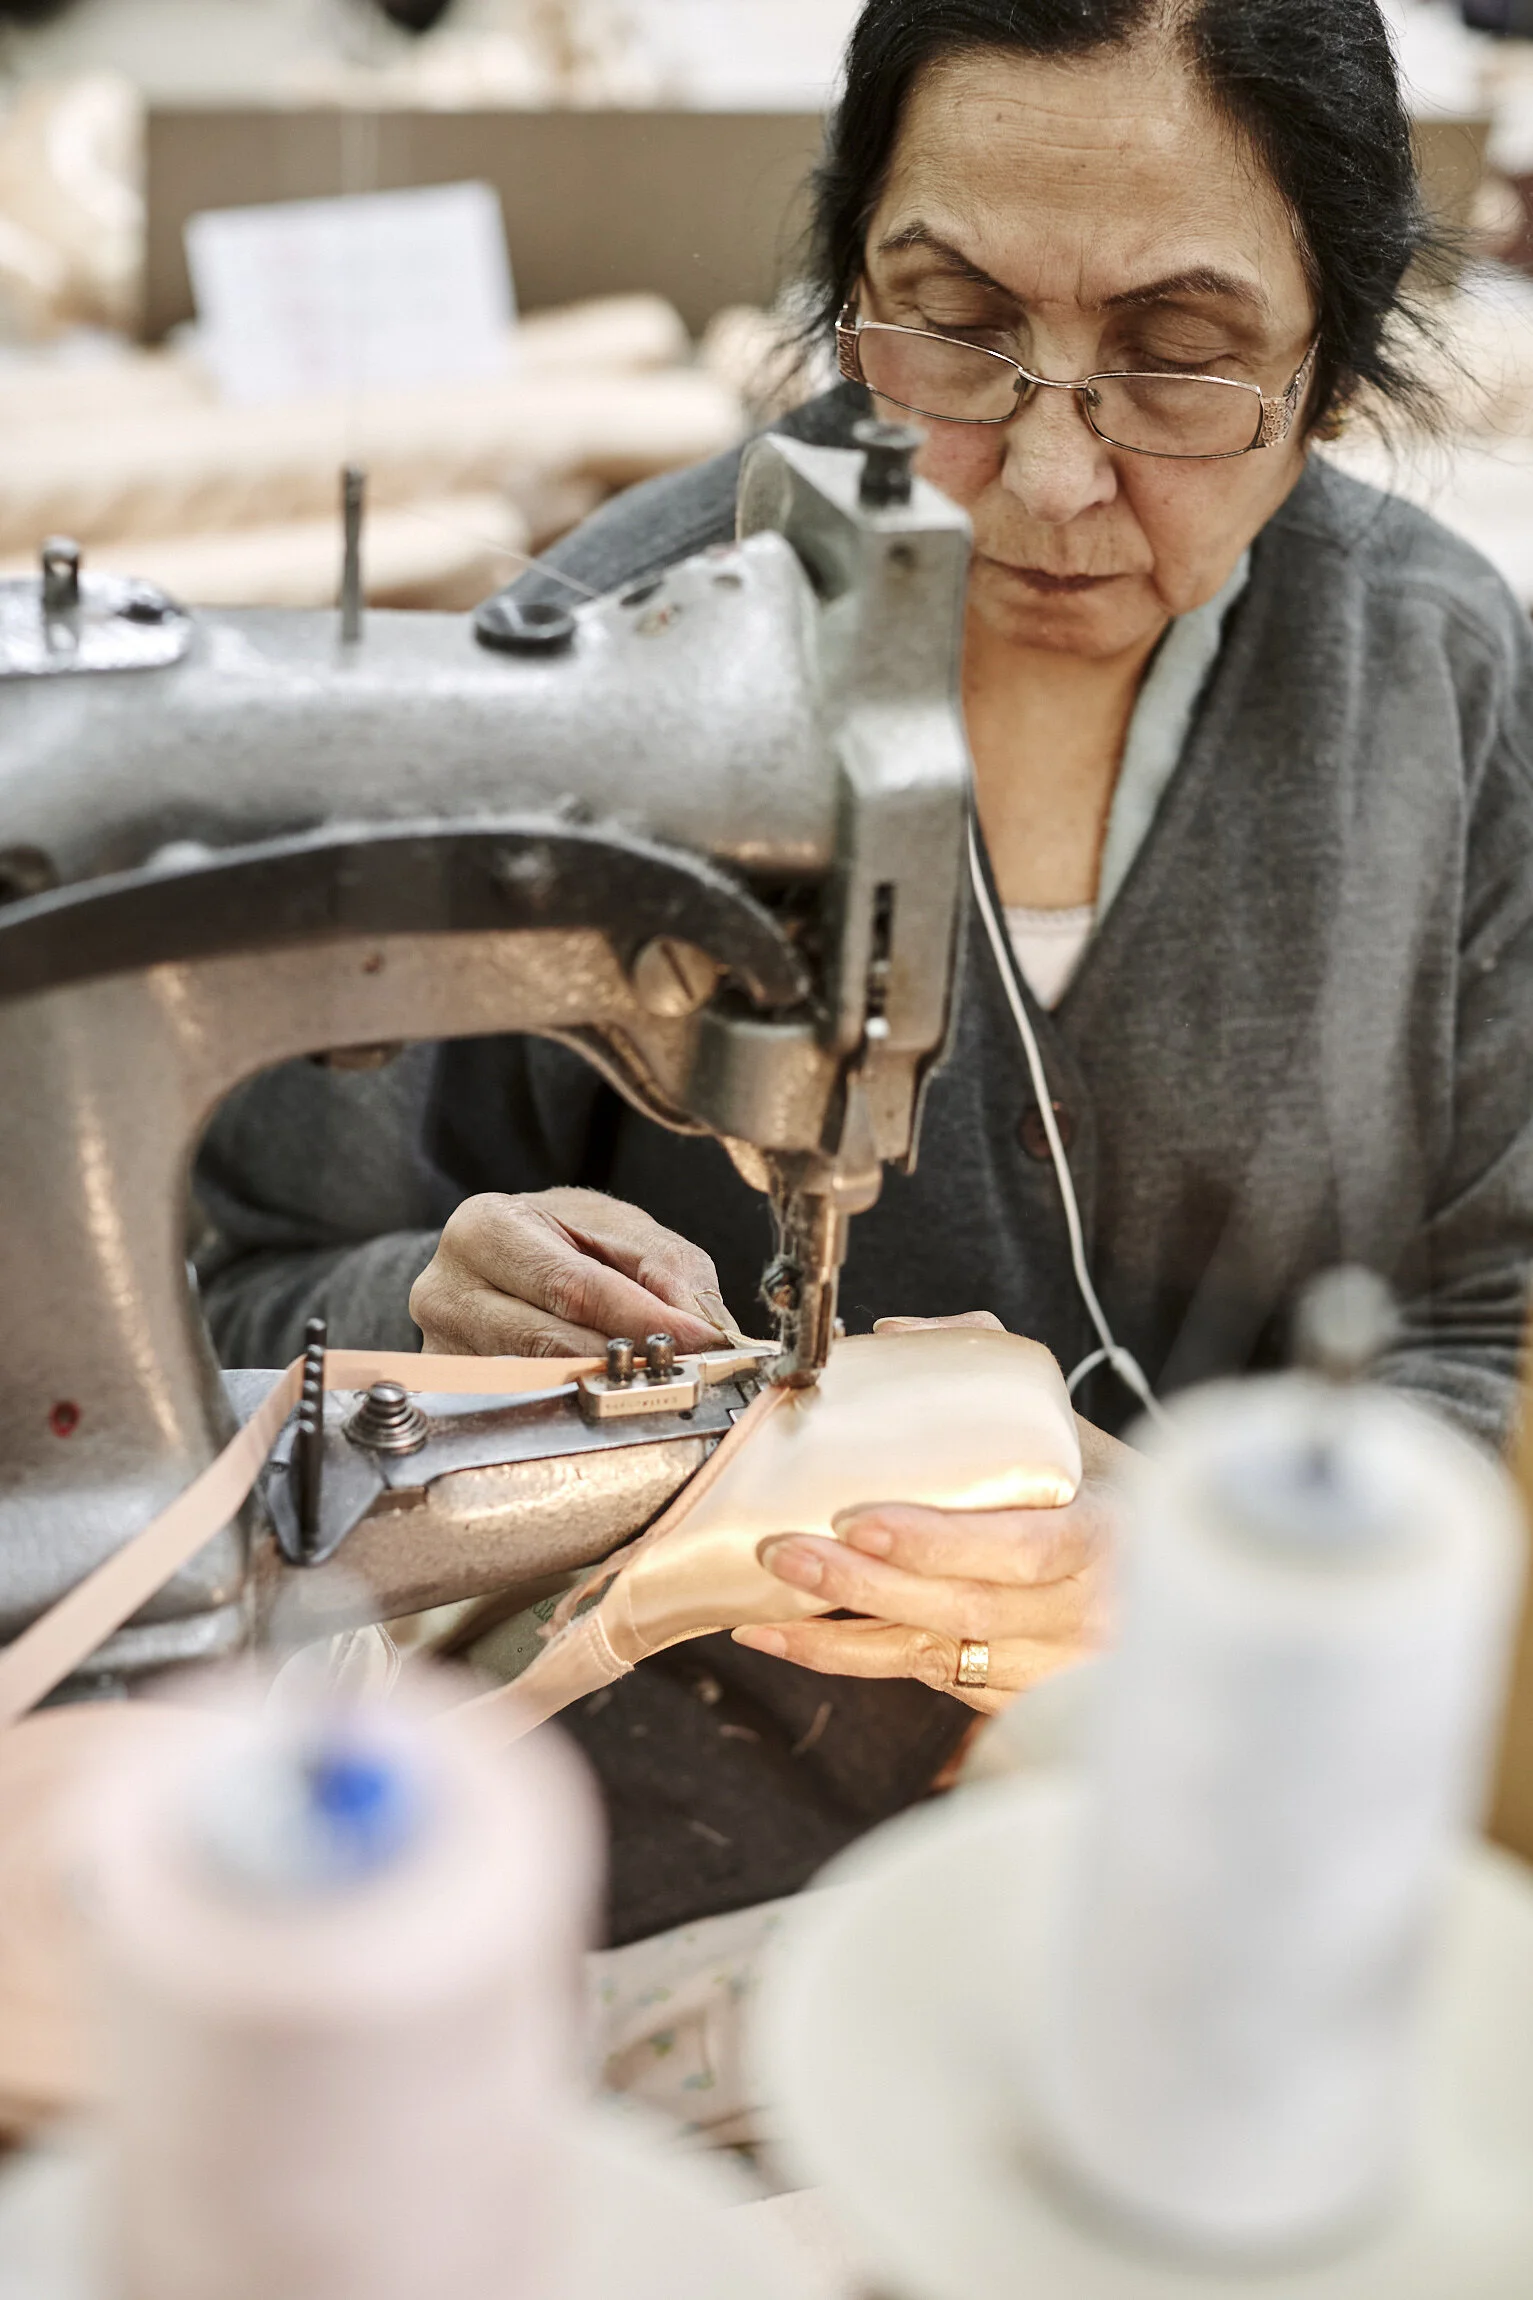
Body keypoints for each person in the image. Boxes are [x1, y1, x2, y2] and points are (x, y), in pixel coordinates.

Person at [197, 0, 1533, 1945]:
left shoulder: (1442, 691)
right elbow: (238, 1314)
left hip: (1204, 1799)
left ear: (1330, 361)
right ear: (846, 288)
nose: (1050, 478)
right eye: (955, 329)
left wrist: (1213, 1560)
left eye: (1175, 363)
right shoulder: (595, 669)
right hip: (642, 1850)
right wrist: (426, 1305)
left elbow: (1485, 1329)